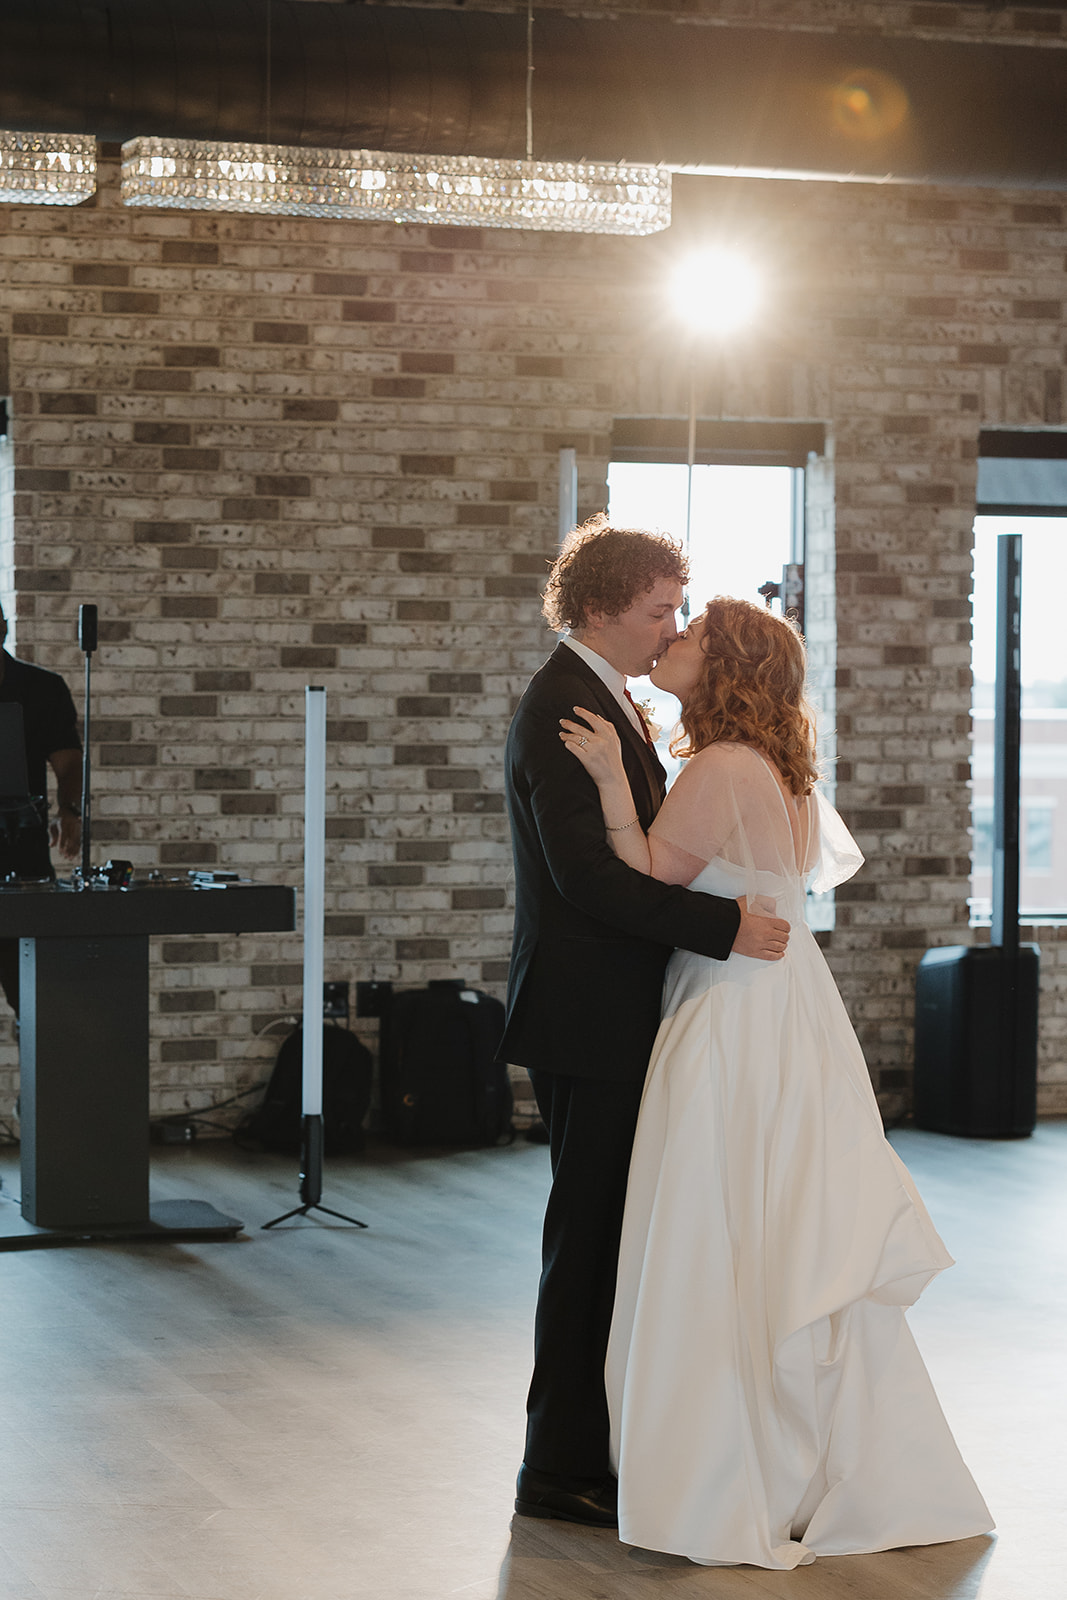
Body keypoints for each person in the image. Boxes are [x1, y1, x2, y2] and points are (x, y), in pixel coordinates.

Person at [560, 595, 993, 1569]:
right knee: (772, 1213)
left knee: (719, 1217)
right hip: (783, 1001)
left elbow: (645, 870)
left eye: (689, 636)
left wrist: (604, 778)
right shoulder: (778, 770)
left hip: (727, 1012)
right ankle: (788, 1451)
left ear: (723, 668)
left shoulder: (716, 766)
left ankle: (728, 1464)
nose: (669, 642)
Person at [499, 518, 791, 1530]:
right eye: (658, 609)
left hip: (620, 1009)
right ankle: (558, 1466)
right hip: (588, 1014)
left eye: (678, 611)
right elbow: (585, 881)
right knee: (584, 1239)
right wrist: (726, 926)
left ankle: (611, 1444)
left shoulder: (604, 698)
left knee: (617, 1236)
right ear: (599, 608)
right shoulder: (560, 708)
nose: (671, 626)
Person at [0, 604, 82, 1010]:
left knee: (38, 1007)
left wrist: (69, 811)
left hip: (24, 862)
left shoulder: (42, 689)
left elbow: (67, 763)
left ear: (3, 627)